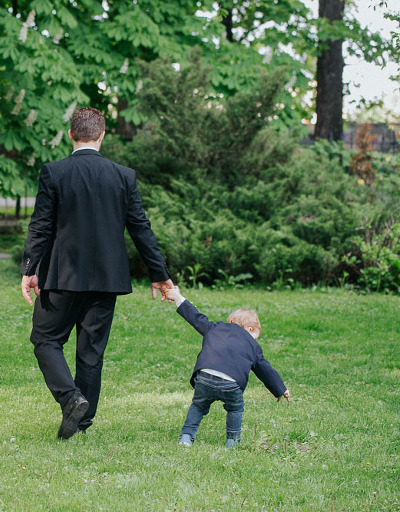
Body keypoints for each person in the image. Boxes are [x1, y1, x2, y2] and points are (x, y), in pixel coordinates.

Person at [20, 107, 173, 439]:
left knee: (45, 339)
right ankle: (82, 423)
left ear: (72, 135)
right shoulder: (123, 176)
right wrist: (159, 274)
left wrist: (30, 269)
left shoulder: (54, 172)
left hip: (62, 277)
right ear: (102, 135)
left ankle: (72, 399)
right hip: (106, 280)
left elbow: (41, 226)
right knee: (91, 352)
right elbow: (141, 229)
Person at [163, 286, 290, 447]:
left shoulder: (215, 328)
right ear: (250, 329)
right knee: (235, 409)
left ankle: (186, 438)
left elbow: (196, 318)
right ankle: (232, 442)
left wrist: (178, 297)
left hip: (205, 378)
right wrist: (280, 389)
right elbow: (264, 369)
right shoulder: (252, 344)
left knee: (198, 405)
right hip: (232, 383)